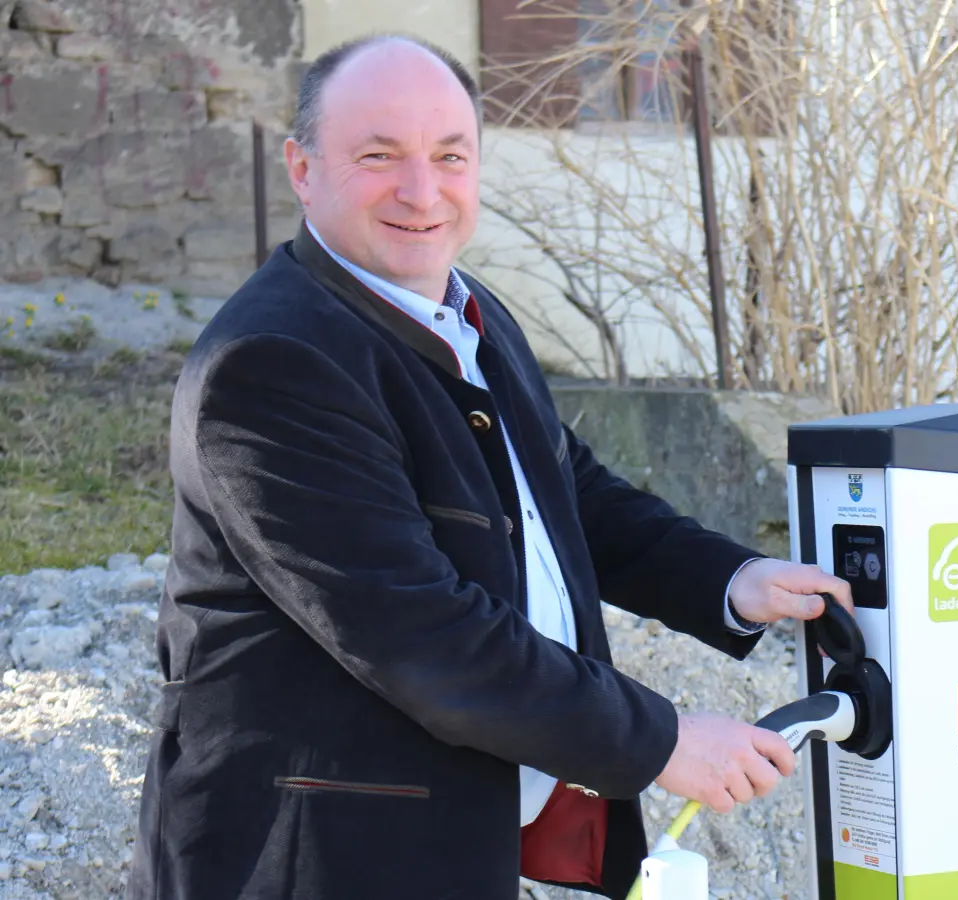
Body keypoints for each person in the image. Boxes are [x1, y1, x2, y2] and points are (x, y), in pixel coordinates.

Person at [127, 33, 852, 900]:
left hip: (431, 851)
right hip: (301, 862)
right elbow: (422, 635)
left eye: (450, 156)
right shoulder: (273, 364)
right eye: (378, 156)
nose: (421, 190)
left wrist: (732, 580)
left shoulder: (465, 310)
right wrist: (662, 741)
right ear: (302, 169)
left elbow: (565, 492)